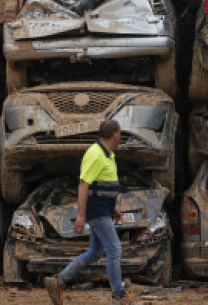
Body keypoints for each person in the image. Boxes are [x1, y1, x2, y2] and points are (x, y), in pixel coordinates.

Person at [44, 119, 134, 305]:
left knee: (95, 252)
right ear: (115, 134)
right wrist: (81, 216)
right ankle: (118, 296)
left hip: (104, 209)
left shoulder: (108, 154)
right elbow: (84, 185)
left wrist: (113, 208)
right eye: (120, 132)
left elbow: (101, 186)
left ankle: (58, 281)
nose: (121, 135)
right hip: (97, 211)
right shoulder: (95, 154)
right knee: (115, 249)